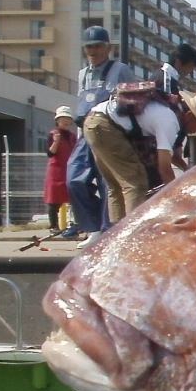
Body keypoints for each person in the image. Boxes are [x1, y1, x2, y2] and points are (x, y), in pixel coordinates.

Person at [66, 26, 135, 244]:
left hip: (110, 133)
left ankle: (108, 229)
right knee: (73, 179)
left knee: (108, 183)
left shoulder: (120, 70)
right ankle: (92, 226)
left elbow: (133, 101)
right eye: (89, 47)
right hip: (85, 133)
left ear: (108, 48)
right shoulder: (82, 74)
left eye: (97, 46)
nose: (93, 51)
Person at [82, 82, 180, 222]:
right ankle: (134, 231)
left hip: (94, 122)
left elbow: (169, 154)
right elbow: (164, 167)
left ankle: (116, 232)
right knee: (136, 182)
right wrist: (176, 199)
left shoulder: (162, 110)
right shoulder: (169, 121)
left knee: (116, 186)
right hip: (106, 127)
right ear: (190, 115)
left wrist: (186, 168)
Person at [43, 106, 77, 236]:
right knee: (54, 200)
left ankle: (73, 224)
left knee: (74, 198)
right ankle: (53, 226)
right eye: (63, 118)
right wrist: (56, 141)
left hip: (69, 169)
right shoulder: (53, 134)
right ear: (57, 120)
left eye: (68, 118)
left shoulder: (72, 136)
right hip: (56, 171)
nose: (66, 121)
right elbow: (50, 153)